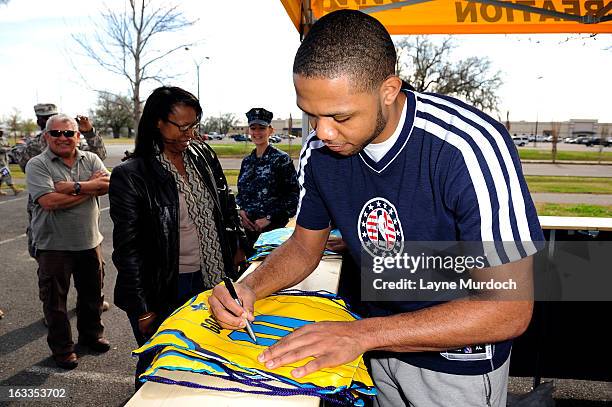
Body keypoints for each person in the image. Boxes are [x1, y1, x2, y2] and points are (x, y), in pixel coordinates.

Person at [208, 10, 544, 407]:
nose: (323, 132)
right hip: (376, 343)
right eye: (310, 113)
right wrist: (249, 287)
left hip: (455, 358)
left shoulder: (467, 147)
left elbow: (509, 310)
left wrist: (361, 334)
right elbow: (303, 246)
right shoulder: (319, 152)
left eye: (340, 116)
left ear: (388, 90)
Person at [109, 86, 247, 389]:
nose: (189, 133)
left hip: (211, 279)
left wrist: (236, 246)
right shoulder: (132, 175)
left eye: (194, 124)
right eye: (182, 126)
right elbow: (128, 249)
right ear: (157, 123)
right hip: (164, 287)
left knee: (206, 358)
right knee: (160, 364)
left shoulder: (202, 155)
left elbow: (224, 203)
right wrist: (144, 307)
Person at [26, 114, 111, 370]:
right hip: (53, 246)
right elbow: (48, 202)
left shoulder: (92, 158)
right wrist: (89, 187)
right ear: (46, 136)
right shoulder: (37, 164)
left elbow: (107, 185)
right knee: (55, 304)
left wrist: (69, 187)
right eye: (56, 133)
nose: (62, 138)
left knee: (92, 296)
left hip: (89, 242)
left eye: (68, 133)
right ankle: (63, 350)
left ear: (77, 136)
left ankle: (91, 336)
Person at [236, 107, 299, 252]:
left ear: (270, 131)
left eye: (262, 128)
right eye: (253, 128)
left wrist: (269, 218)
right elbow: (241, 196)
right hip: (247, 231)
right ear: (249, 131)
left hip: (273, 233)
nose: (257, 133)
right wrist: (241, 213)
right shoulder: (247, 161)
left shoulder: (281, 160)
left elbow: (293, 197)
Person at [0, 130, 23, 196]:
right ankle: (14, 189)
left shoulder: (4, 139)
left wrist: (7, 147)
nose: (1, 133)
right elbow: (2, 149)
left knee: (3, 175)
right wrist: (7, 148)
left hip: (5, 160)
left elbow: (8, 145)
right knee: (6, 174)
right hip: (0, 162)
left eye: (2, 131)